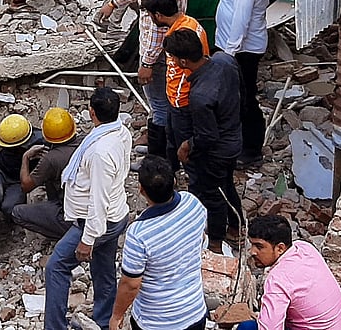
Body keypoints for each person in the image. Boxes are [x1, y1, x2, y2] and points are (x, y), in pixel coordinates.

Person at [95, 0, 187, 159]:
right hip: (170, 43)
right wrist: (114, 3)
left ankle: (159, 160)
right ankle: (167, 149)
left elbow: (157, 29)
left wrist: (146, 63)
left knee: (159, 107)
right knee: (165, 102)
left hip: (159, 52)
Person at [44, 88, 131, 330]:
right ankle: (104, 320)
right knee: (103, 269)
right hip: (115, 213)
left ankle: (54, 327)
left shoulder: (100, 152)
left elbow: (98, 199)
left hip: (99, 221)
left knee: (56, 267)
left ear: (92, 112)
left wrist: (88, 238)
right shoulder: (120, 132)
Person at [163, 29, 243, 253]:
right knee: (226, 184)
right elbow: (243, 95)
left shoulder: (199, 96)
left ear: (183, 61)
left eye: (173, 58)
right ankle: (236, 227)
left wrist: (187, 145)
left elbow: (207, 136)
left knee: (212, 193)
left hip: (217, 151)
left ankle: (216, 242)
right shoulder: (224, 61)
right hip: (234, 138)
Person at [109, 155, 207, 330]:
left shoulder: (139, 234)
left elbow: (131, 284)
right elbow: (201, 239)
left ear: (141, 189)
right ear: (174, 181)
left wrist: (117, 316)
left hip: (156, 322)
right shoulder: (192, 203)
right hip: (194, 312)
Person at [215, 0, 272, 166]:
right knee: (242, 96)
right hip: (246, 47)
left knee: (244, 99)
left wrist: (229, 52)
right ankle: (243, 145)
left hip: (242, 50)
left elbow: (241, 18)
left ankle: (250, 150)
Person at [236, 215, 341, 330]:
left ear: (280, 248)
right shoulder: (304, 248)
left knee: (247, 327)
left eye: (259, 246)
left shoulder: (278, 280)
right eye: (252, 244)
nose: (252, 252)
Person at [141, 0, 209, 170]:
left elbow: (185, 71)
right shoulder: (191, 24)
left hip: (182, 102)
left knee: (184, 146)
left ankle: (190, 175)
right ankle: (169, 169)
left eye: (150, 15)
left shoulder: (179, 38)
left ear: (158, 15)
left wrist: (178, 101)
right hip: (180, 100)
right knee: (172, 140)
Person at [12, 107, 80, 240]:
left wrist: (26, 157)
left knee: (17, 213)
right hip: (91, 207)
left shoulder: (51, 160)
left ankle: (66, 236)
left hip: (71, 215)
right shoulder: (85, 141)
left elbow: (26, 186)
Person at [0, 114, 46, 217]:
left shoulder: (40, 143)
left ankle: (7, 223)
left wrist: (26, 158)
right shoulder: (10, 134)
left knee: (8, 208)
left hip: (18, 181)